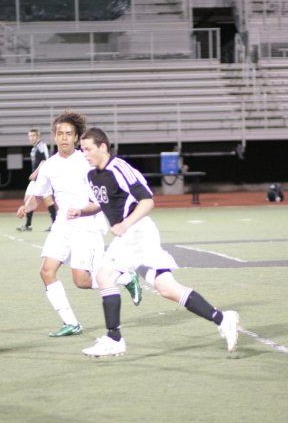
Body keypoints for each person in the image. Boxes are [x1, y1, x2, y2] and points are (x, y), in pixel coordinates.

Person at [68, 127, 239, 357]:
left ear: (103, 147)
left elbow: (147, 201)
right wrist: (80, 211)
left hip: (137, 232)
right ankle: (222, 318)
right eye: (82, 149)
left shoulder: (120, 168)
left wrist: (125, 224)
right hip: (131, 235)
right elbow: (99, 203)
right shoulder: (92, 175)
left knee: (104, 275)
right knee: (167, 288)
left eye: (88, 149)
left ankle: (114, 338)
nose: (84, 153)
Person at [16, 112, 142, 338]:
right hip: (62, 225)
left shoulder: (87, 161)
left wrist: (90, 209)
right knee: (46, 271)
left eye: (69, 134)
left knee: (81, 281)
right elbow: (38, 196)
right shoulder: (49, 166)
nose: (64, 138)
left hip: (87, 224)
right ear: (54, 137)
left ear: (76, 138)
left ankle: (124, 276)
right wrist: (27, 207)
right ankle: (71, 323)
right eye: (60, 134)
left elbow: (101, 195)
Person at [17, 128, 56, 232]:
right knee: (27, 199)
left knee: (48, 201)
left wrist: (35, 172)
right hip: (36, 180)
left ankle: (55, 224)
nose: (31, 138)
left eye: (33, 136)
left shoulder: (41, 146)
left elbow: (45, 161)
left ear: (38, 136)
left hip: (43, 179)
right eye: (30, 136)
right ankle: (28, 224)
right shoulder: (33, 149)